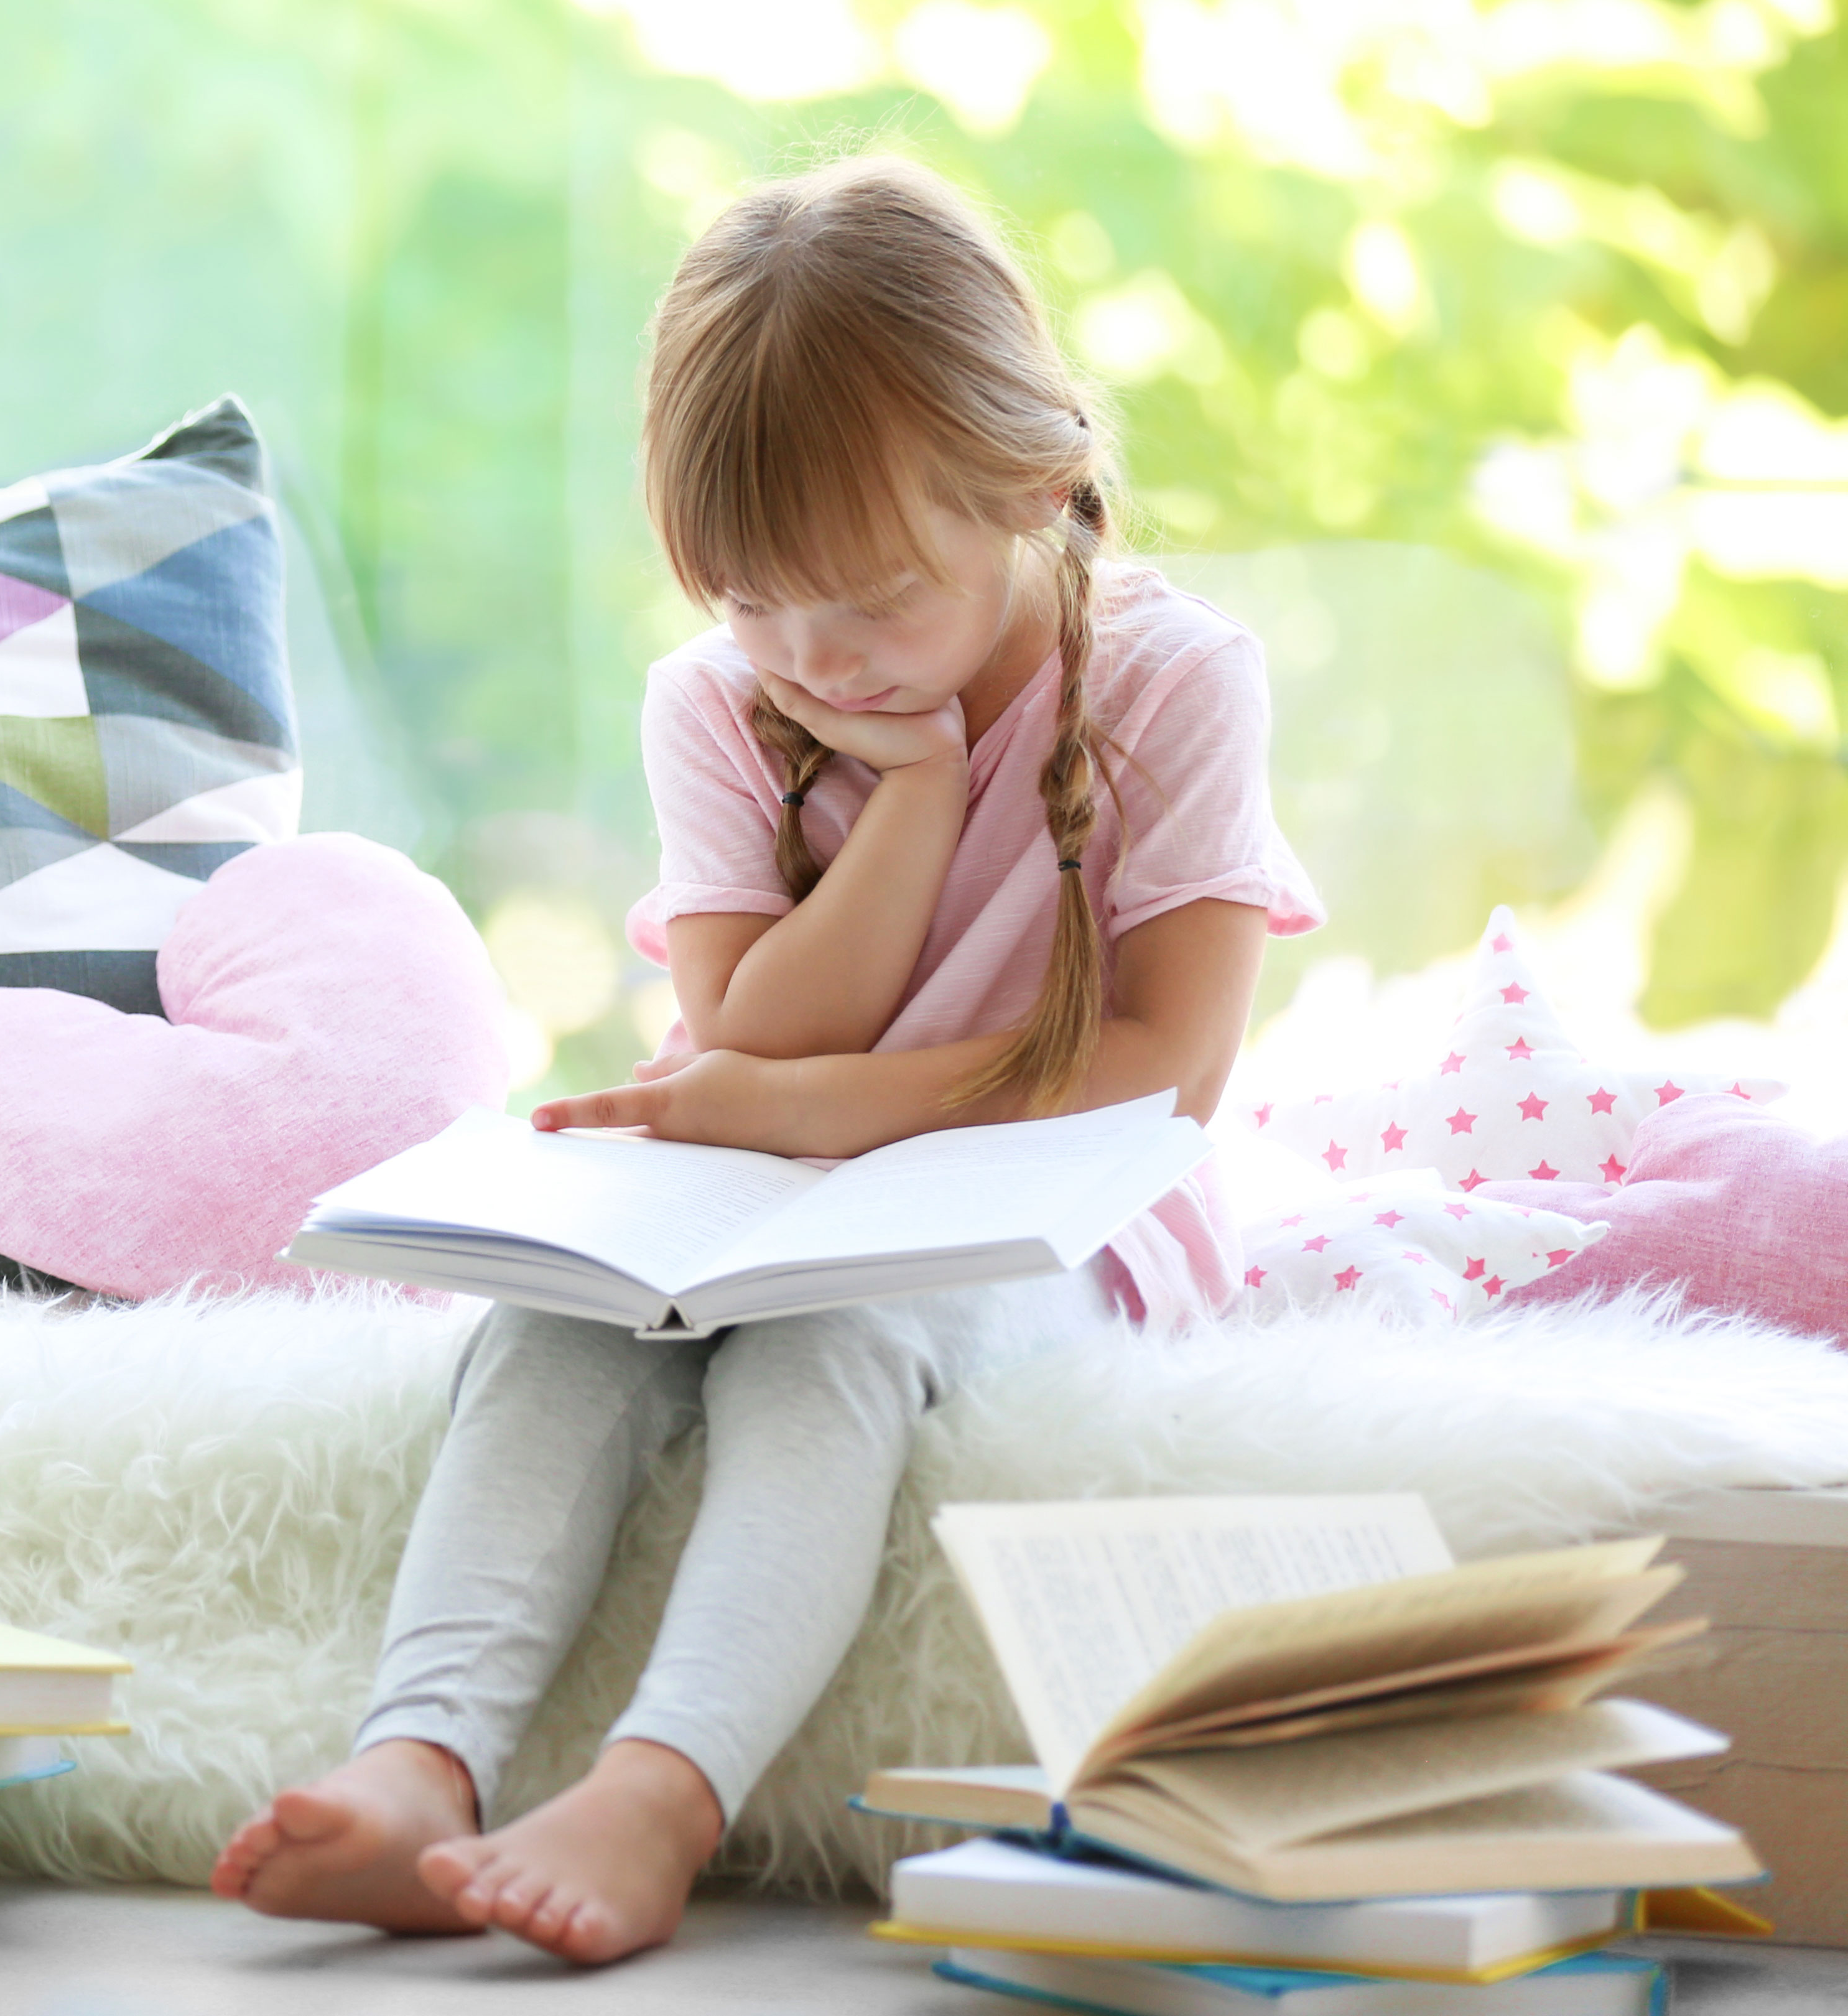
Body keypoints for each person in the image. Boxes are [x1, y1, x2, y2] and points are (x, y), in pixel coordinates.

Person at [210, 154, 1323, 1965]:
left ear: (1032, 486)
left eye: (872, 602)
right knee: (547, 1324)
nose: (813, 656)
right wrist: (912, 793)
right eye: (748, 603)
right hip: (742, 1175)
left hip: (1051, 1213)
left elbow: (1165, 1065)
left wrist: (815, 1115)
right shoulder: (723, 702)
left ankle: (658, 1792)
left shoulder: (1173, 681)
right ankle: (416, 1761)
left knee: (832, 1335)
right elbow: (751, 1026)